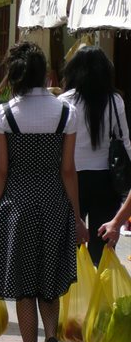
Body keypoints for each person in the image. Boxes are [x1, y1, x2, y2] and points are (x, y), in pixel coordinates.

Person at [0, 42, 88, 342]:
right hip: (55, 203)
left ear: (14, 75)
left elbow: (0, 172)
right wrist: (78, 218)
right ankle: (51, 335)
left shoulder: (4, 115)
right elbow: (69, 170)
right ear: (45, 73)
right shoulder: (67, 113)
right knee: (49, 284)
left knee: (24, 288)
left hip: (17, 207)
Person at [58, 46, 131, 265]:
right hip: (105, 181)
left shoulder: (64, 101)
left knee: (70, 246)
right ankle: (98, 295)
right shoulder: (115, 100)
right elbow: (124, 140)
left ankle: (75, 294)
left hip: (71, 178)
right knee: (102, 248)